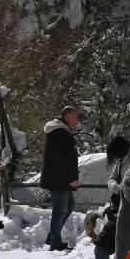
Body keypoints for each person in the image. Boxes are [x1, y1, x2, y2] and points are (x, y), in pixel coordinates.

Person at [87, 135, 130, 259]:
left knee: (120, 244)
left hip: (129, 207)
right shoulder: (121, 160)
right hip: (117, 205)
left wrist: (123, 188)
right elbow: (111, 178)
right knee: (105, 243)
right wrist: (114, 186)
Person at [39, 105, 83, 251]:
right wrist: (72, 178)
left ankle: (52, 237)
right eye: (76, 116)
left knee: (68, 206)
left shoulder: (60, 131)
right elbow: (62, 160)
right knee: (60, 210)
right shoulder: (61, 133)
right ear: (68, 116)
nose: (77, 120)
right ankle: (55, 242)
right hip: (59, 179)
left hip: (59, 178)